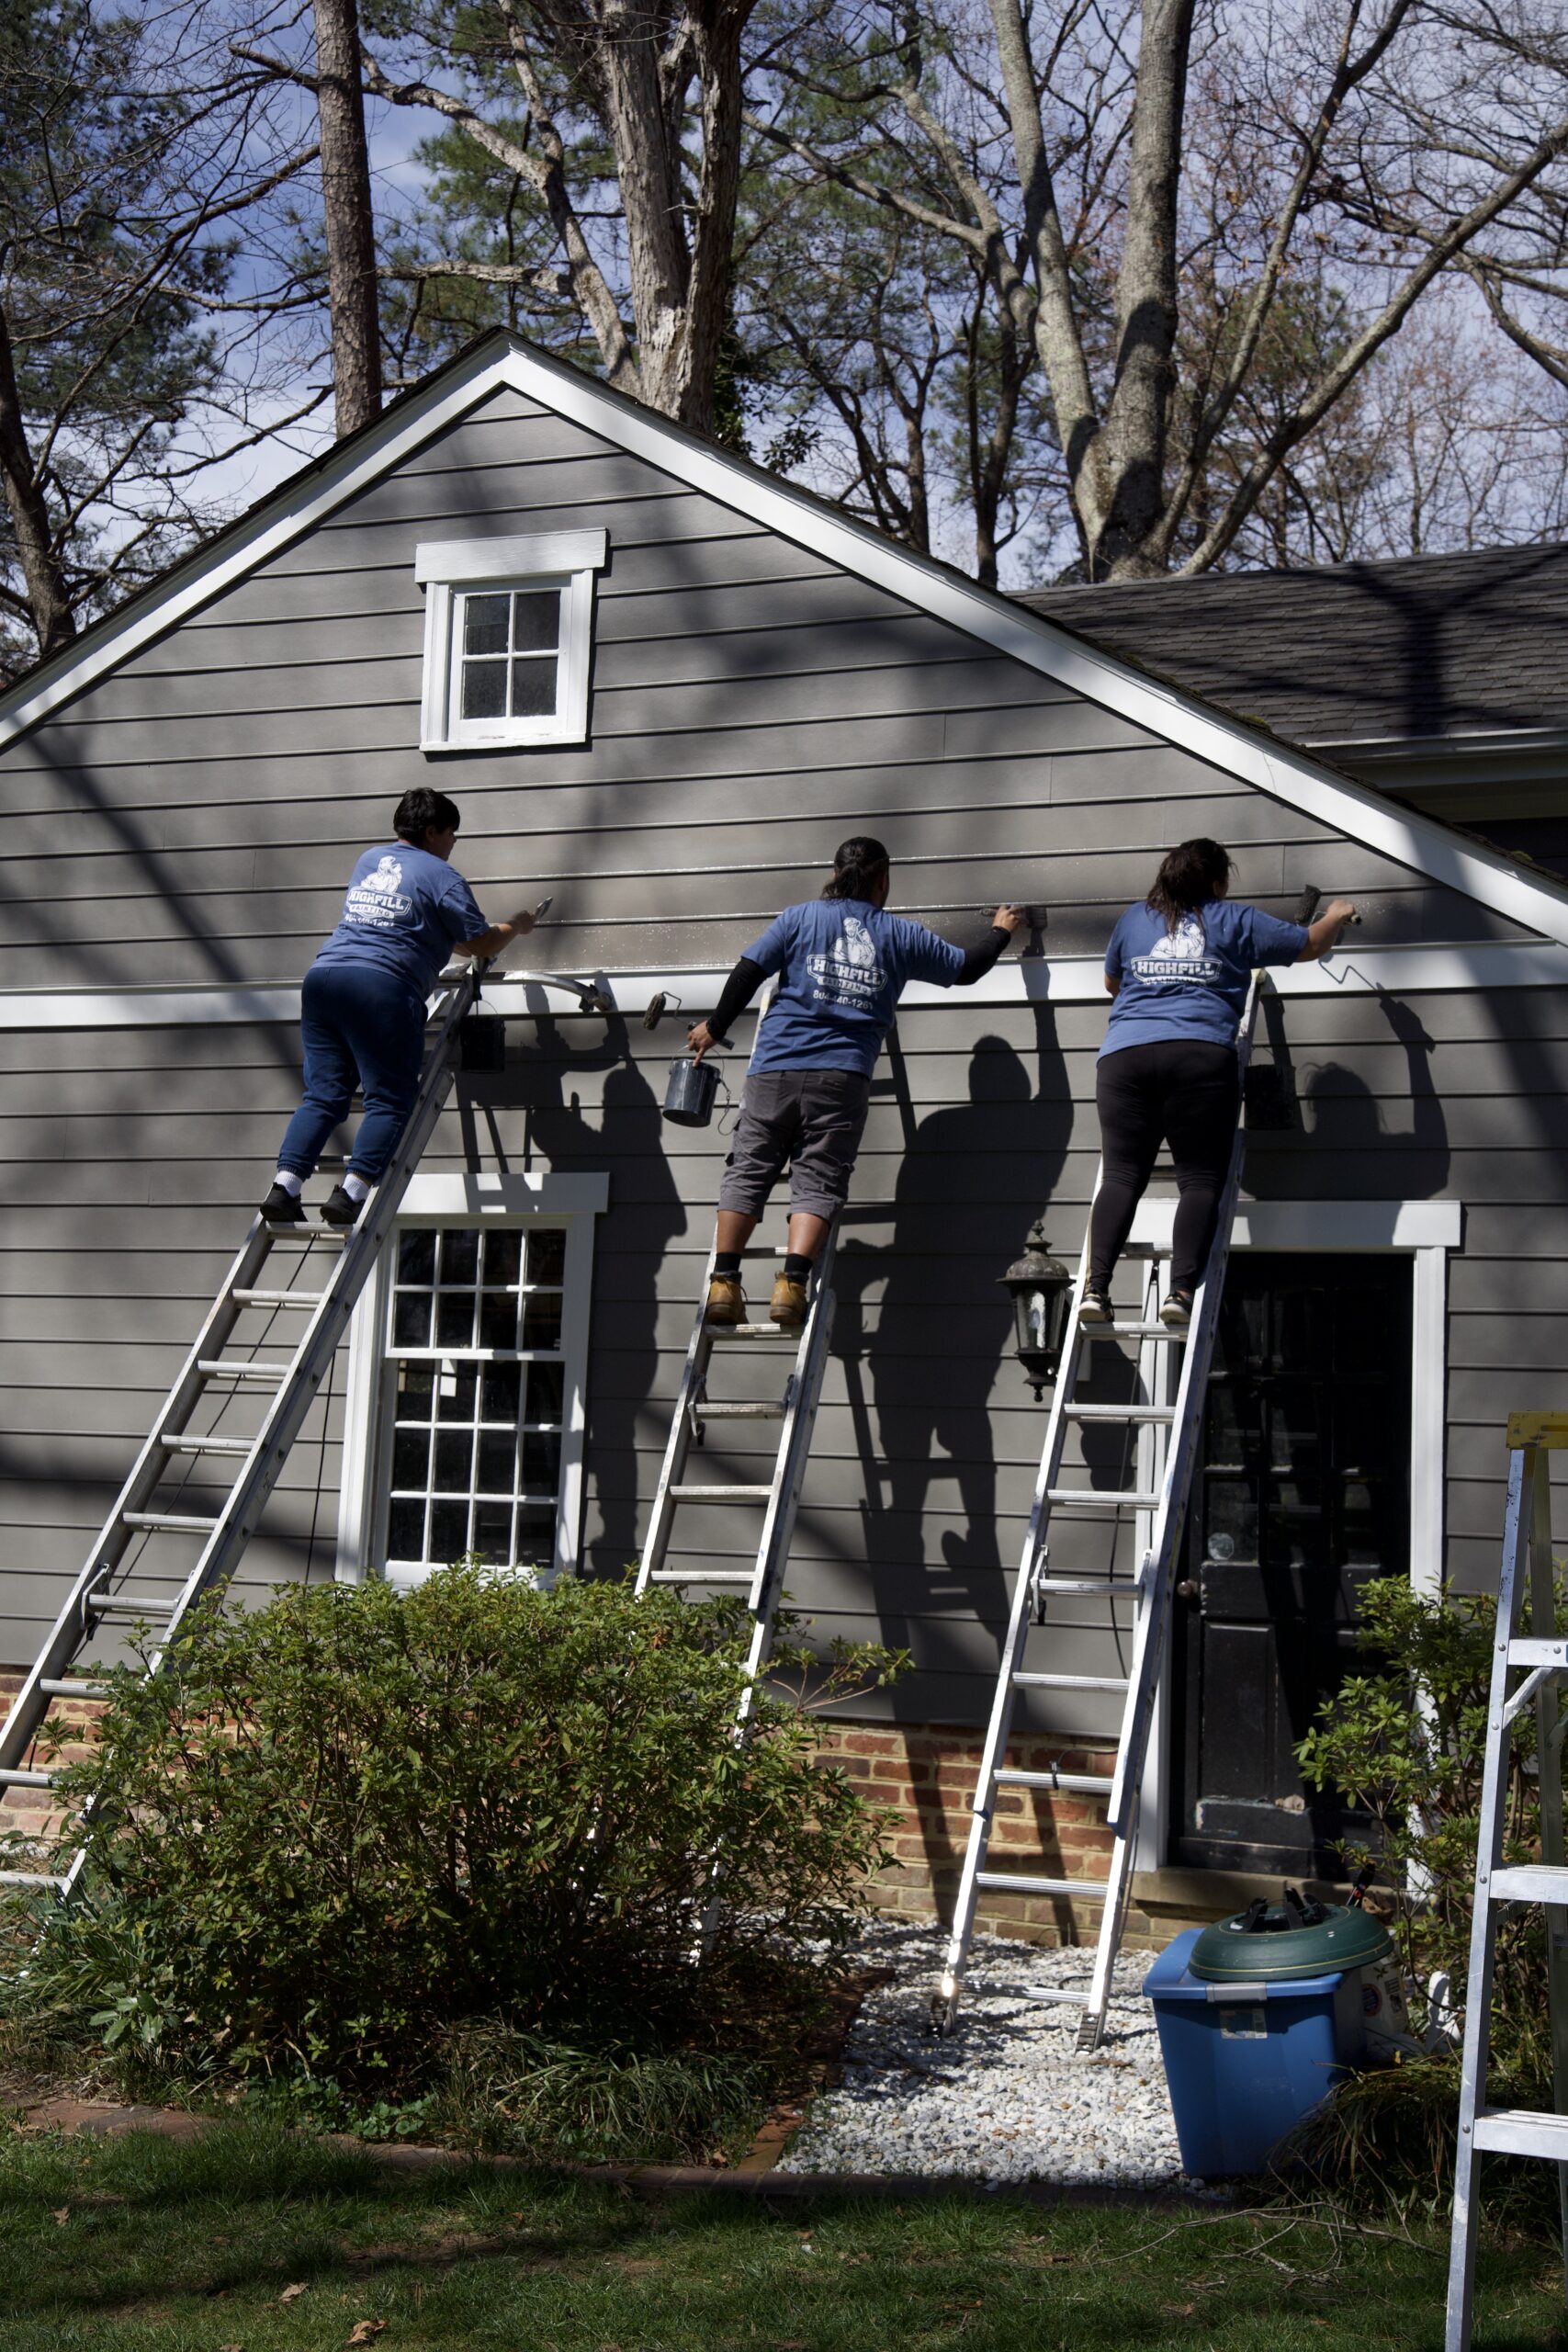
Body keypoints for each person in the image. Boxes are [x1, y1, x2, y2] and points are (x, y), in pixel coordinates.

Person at [686, 838, 1026, 1329]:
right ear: (883, 879)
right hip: (840, 1077)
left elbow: (749, 971)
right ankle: (792, 1285)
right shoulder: (900, 935)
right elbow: (968, 969)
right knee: (818, 1177)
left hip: (774, 1069)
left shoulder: (799, 918)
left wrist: (714, 1028)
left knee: (748, 1171)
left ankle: (724, 1281)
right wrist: (1000, 931)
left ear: (834, 873)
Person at [1085, 838, 1355, 1329]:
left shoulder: (1133, 919)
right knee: (1200, 1179)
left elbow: (1112, 984)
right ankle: (1181, 1293)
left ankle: (1095, 1289)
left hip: (1124, 1058)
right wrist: (1337, 912)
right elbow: (1311, 943)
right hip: (1199, 1056)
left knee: (1122, 1176)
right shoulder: (1235, 919)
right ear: (1215, 882)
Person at [262, 788, 540, 1229]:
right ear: (433, 832)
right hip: (380, 987)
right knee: (390, 1099)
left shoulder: (369, 860)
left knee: (324, 1094)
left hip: (324, 979)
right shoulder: (442, 875)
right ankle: (350, 1195)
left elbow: (459, 942)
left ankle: (286, 1186)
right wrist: (517, 926)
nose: (453, 843)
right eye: (452, 834)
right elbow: (481, 943)